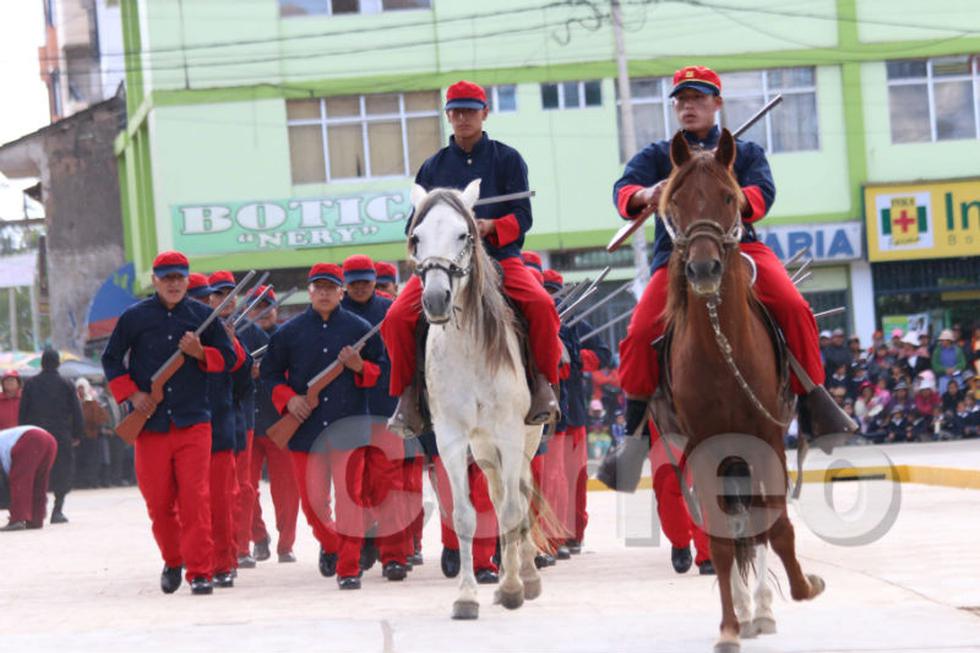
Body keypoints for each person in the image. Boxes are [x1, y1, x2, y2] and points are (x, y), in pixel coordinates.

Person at [611, 65, 853, 446]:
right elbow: (623, 191)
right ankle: (634, 431)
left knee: (793, 307)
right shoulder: (659, 155)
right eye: (682, 100)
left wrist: (729, 192)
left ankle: (813, 401)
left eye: (698, 99)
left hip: (741, 247)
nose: (688, 107)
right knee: (640, 331)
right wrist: (646, 194)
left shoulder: (745, 153)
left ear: (717, 103)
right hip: (676, 256)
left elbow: (763, 194)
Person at [381, 80, 561, 437]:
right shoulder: (432, 167)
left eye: (470, 110)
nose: (463, 118)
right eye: (456, 111)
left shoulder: (507, 159)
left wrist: (490, 225)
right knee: (395, 318)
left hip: (499, 260)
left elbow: (523, 217)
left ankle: (543, 386)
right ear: (448, 115)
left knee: (541, 304)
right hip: (444, 266)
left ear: (484, 113)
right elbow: (413, 223)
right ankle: (408, 397)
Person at [101, 251, 238, 595]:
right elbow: (111, 358)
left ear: (188, 280)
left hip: (194, 421)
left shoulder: (204, 317)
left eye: (180, 278)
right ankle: (173, 558)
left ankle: (200, 572)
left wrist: (200, 353)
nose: (174, 284)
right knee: (158, 502)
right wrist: (133, 396)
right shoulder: (134, 317)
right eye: (168, 278)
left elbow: (231, 358)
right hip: (149, 423)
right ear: (156, 281)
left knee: (196, 498)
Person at [260, 263, 384, 590]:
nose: (325, 293)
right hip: (305, 431)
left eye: (331, 287)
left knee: (349, 499)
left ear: (341, 291)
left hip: (349, 429)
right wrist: (288, 400)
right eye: (319, 287)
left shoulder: (360, 328)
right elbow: (270, 375)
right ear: (310, 291)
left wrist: (359, 366)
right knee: (313, 506)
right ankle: (335, 545)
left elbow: (380, 371)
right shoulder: (289, 332)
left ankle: (348, 567)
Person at [340, 254, 413, 581]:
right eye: (353, 282)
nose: (359, 288)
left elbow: (403, 360)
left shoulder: (391, 313)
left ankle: (395, 556)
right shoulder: (332, 315)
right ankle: (362, 543)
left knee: (391, 487)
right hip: (345, 417)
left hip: (386, 410)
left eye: (365, 282)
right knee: (355, 490)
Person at [203, 270, 250, 588]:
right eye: (219, 295)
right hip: (191, 421)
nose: (226, 300)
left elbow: (245, 384)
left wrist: (232, 348)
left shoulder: (242, 332)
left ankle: (230, 554)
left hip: (230, 422)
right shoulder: (197, 329)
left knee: (230, 494)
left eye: (230, 295)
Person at [247, 286, 301, 565]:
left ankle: (285, 544)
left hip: (280, 423)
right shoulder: (239, 337)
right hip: (248, 424)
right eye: (256, 307)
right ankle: (258, 537)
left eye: (267, 306)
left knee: (287, 489)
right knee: (245, 487)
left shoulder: (287, 338)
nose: (263, 312)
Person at [18, 349, 84, 524]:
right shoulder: (66, 384)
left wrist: (22, 433)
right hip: (61, 434)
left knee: (36, 471)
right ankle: (57, 510)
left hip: (35, 434)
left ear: (42, 363)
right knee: (62, 470)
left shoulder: (31, 384)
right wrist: (77, 433)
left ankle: (35, 511)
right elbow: (77, 412)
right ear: (58, 363)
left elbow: (22, 412)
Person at [0, 426, 58, 530]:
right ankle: (36, 519)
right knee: (39, 481)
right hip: (49, 440)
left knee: (20, 481)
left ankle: (17, 519)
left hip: (30, 439)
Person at [75, 377, 110, 488]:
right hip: (79, 437)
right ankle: (81, 482)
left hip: (91, 435)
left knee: (92, 460)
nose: (80, 391)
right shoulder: (74, 402)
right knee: (81, 460)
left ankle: (91, 481)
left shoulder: (92, 402)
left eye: (82, 388)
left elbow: (102, 417)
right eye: (78, 388)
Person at [932, 329, 966, 395]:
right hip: (943, 377)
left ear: (949, 340)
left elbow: (963, 363)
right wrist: (945, 370)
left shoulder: (958, 350)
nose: (941, 341)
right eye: (941, 340)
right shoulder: (937, 351)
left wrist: (954, 369)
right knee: (943, 395)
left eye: (943, 340)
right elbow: (935, 365)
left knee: (960, 395)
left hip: (957, 377)